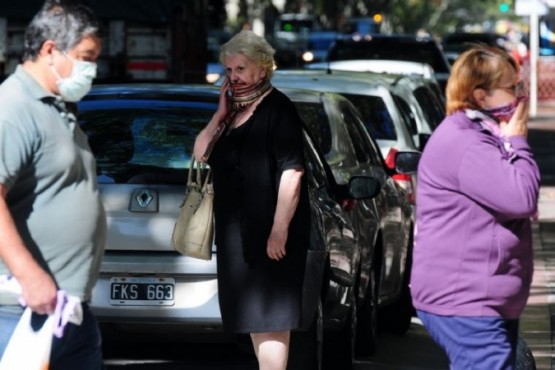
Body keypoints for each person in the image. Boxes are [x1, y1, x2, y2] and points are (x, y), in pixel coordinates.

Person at [410, 45, 540, 369]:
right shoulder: (466, 143)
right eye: (512, 88)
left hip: (482, 297)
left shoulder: (481, 134)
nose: (520, 96)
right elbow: (522, 198)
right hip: (466, 299)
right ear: (481, 97)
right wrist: (520, 139)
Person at [194, 30, 311, 370]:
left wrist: (278, 230)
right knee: (253, 321)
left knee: (272, 321)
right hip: (237, 237)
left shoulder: (280, 110)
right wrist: (218, 115)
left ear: (262, 69)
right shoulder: (231, 114)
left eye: (241, 69)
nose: (234, 77)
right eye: (229, 71)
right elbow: (201, 155)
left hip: (272, 236)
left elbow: (293, 173)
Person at [0, 1, 106, 369]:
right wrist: (30, 277)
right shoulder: (13, 108)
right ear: (49, 50)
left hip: (69, 308)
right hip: (22, 308)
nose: (91, 70)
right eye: (85, 57)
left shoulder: (56, 107)